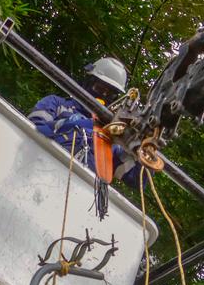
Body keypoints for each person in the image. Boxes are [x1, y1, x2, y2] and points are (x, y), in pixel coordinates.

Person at [28, 57, 144, 189]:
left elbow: (135, 179)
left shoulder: (109, 139)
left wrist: (146, 146)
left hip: (82, 193)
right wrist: (86, 124)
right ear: (87, 82)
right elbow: (32, 129)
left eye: (110, 94)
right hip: (40, 170)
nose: (103, 96)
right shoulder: (56, 104)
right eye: (100, 88)